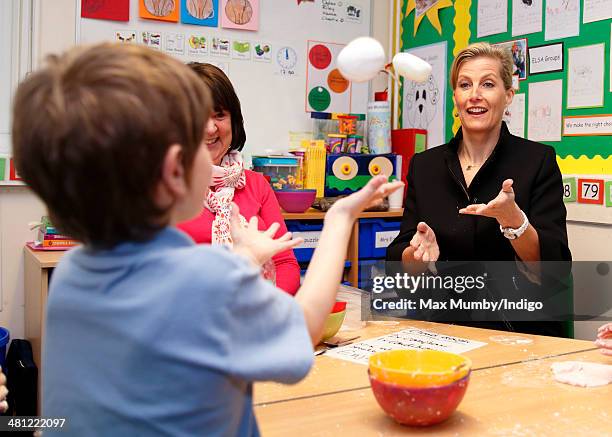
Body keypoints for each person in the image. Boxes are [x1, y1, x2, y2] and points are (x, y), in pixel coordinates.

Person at [12, 43, 402, 436]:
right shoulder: (205, 278)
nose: (209, 135)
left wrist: (244, 258)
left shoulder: (72, 275)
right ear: (173, 170)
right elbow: (305, 330)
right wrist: (339, 217)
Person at [387, 42, 571, 336]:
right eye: (464, 85)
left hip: (518, 330)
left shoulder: (537, 161)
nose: (475, 95)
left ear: (508, 95)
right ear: (456, 98)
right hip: (442, 326)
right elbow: (400, 263)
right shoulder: (425, 166)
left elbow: (554, 269)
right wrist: (416, 254)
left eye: (487, 84)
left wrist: (515, 222)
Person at [177, 63, 300, 295]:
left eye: (219, 115)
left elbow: (285, 263)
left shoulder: (256, 184)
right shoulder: (162, 187)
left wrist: (263, 309)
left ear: (233, 121)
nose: (210, 128)